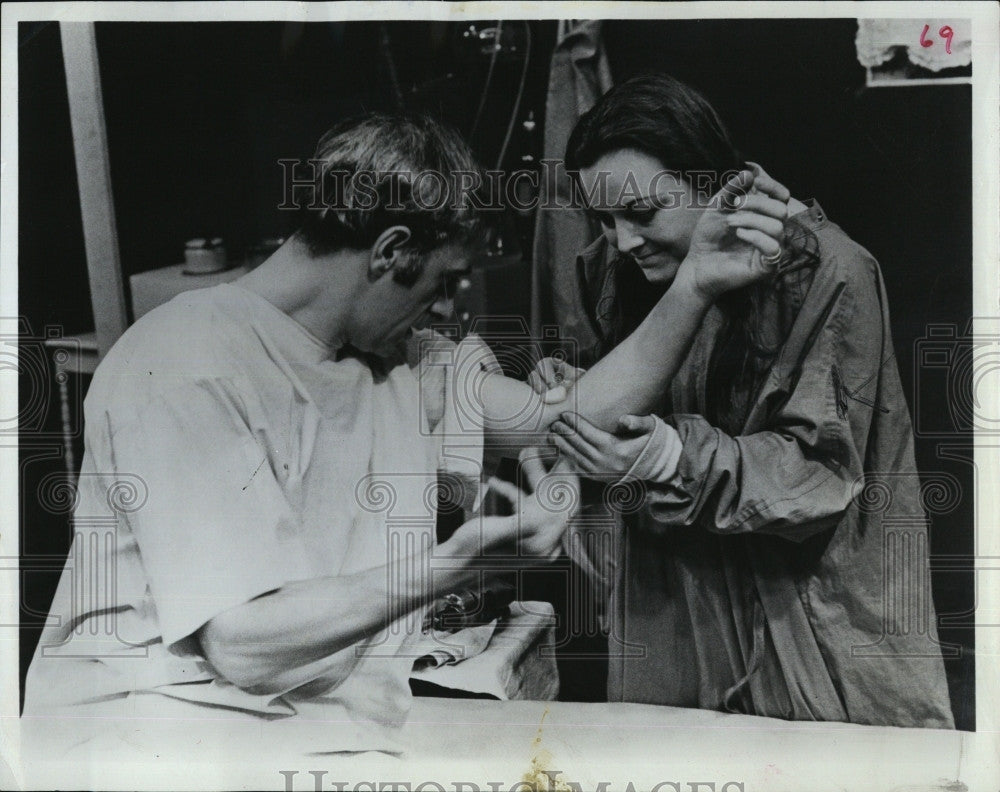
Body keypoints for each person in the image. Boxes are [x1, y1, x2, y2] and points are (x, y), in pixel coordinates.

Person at [22, 113, 791, 754]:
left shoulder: (400, 361)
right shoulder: (186, 366)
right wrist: (450, 565)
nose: (455, 311)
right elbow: (244, 647)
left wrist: (694, 284)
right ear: (390, 252)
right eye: (444, 284)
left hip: (313, 731)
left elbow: (569, 418)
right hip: (155, 738)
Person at [529, 73, 954, 729]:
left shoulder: (824, 269)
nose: (623, 241)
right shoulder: (615, 270)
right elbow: (586, 416)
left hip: (805, 617)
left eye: (642, 214)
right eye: (604, 219)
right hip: (674, 612)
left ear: (711, 181)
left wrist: (674, 456)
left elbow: (819, 473)